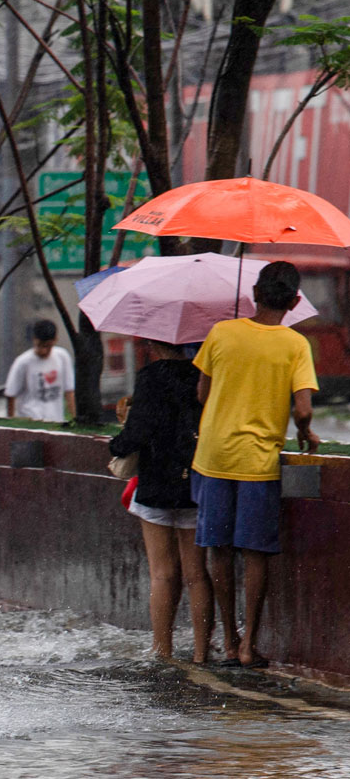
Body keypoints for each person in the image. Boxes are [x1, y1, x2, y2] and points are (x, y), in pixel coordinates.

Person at [191, 260, 319, 670]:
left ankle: (228, 641)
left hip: (213, 456)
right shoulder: (296, 345)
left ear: (253, 296)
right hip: (258, 462)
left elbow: (201, 393)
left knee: (220, 550)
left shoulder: (221, 333)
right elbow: (302, 409)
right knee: (255, 552)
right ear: (295, 301)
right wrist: (307, 432)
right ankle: (249, 646)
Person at [108, 340, 211, 661]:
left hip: (156, 484)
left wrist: (116, 443)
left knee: (163, 574)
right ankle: (200, 653)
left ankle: (162, 651)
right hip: (196, 480)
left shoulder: (151, 376)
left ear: (154, 343)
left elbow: (136, 434)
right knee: (197, 574)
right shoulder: (205, 374)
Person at [5, 320, 76, 422]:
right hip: (31, 421)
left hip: (55, 420)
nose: (43, 350)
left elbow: (69, 391)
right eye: (40, 345)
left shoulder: (62, 357)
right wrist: (11, 421)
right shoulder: (23, 362)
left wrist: (74, 418)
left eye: (48, 346)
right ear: (34, 340)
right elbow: (11, 394)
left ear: (55, 340)